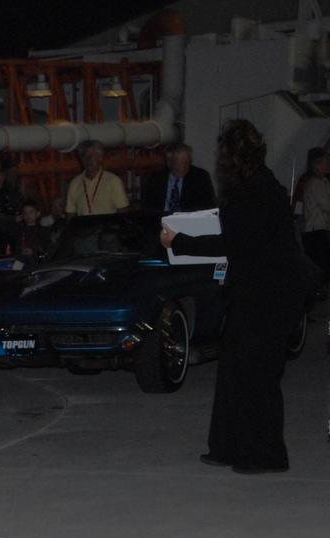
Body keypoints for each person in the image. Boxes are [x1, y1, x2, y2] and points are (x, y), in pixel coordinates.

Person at [160, 119, 309, 474]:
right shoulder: (253, 186)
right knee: (232, 370)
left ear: (232, 156)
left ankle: (266, 454)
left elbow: (231, 242)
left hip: (269, 296)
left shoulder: (256, 191)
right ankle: (227, 446)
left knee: (258, 375)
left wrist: (179, 241)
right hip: (253, 292)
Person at [141, 143, 216, 214]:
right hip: (161, 220)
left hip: (189, 220)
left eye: (186, 163)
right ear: (169, 163)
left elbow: (209, 207)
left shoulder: (200, 178)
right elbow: (147, 208)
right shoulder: (156, 179)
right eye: (179, 164)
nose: (183, 168)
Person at [65, 141, 129, 217]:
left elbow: (123, 212)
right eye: (84, 156)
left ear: (100, 158)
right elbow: (70, 214)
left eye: (91, 156)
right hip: (84, 224)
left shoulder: (113, 181)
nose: (88, 160)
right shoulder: (74, 183)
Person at [298, 149, 330, 274]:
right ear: (317, 164)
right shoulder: (315, 184)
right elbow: (327, 205)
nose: (328, 164)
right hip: (316, 233)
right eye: (326, 161)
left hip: (319, 232)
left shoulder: (323, 182)